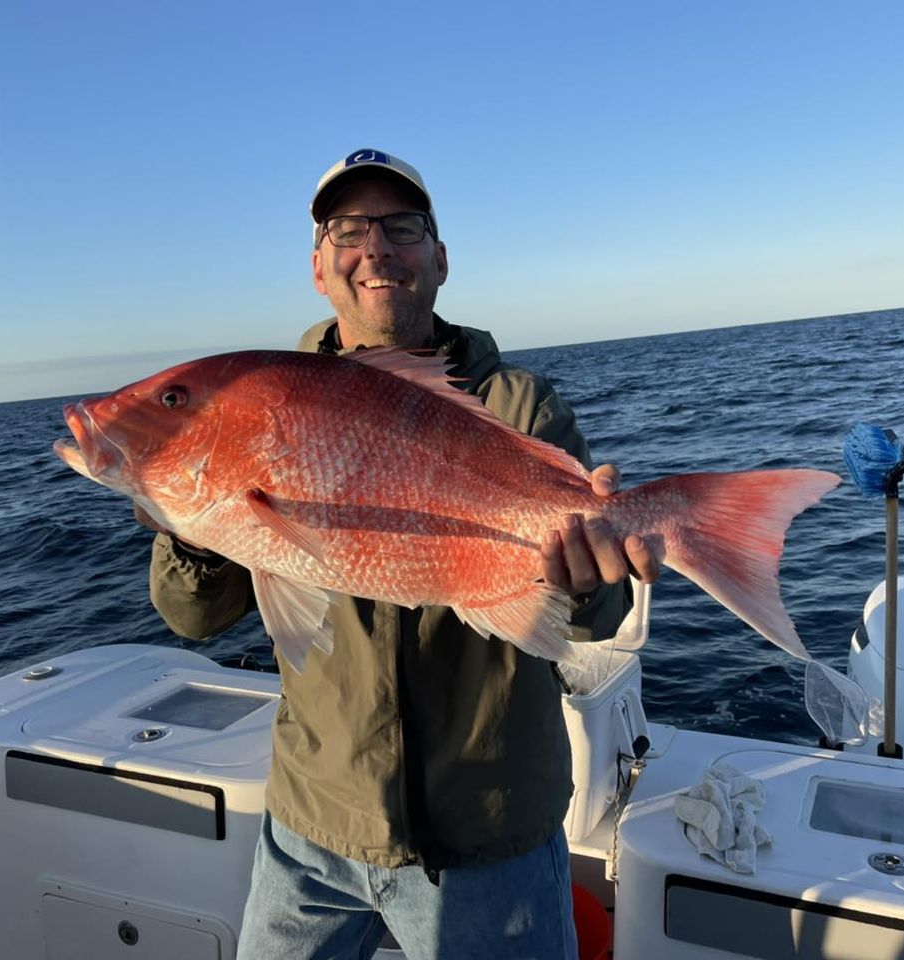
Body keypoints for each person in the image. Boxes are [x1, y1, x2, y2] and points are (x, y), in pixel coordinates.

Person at [145, 148, 658, 959]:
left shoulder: (518, 405)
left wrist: (594, 577)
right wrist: (194, 520)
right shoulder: (267, 406)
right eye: (349, 228)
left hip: (490, 837)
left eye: (403, 227)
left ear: (440, 258)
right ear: (319, 268)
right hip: (313, 824)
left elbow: (600, 616)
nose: (376, 248)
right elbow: (192, 618)